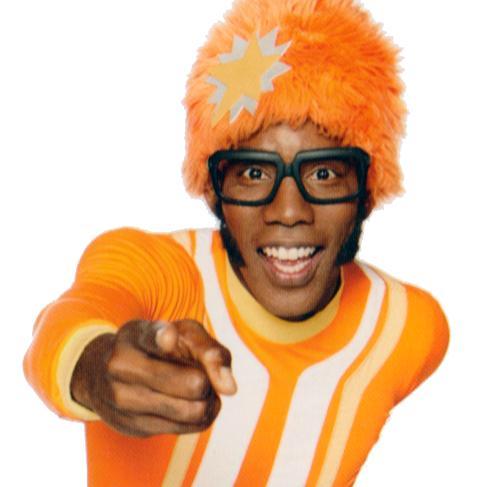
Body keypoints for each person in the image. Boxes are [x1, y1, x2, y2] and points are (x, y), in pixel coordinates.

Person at [24, 0, 449, 485]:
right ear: (214, 189)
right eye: (253, 173)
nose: (288, 211)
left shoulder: (409, 328)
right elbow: (62, 328)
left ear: (368, 188)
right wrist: (96, 367)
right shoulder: (163, 269)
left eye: (324, 172)